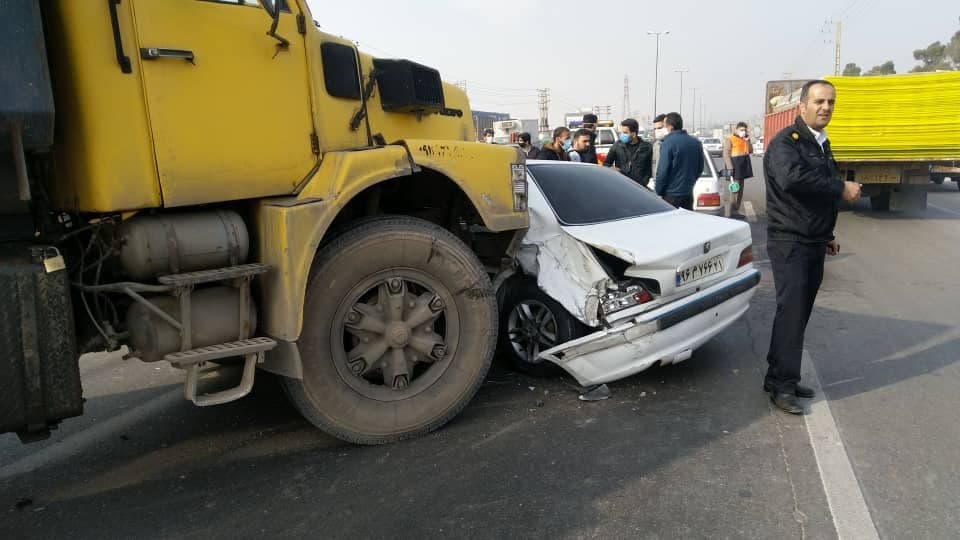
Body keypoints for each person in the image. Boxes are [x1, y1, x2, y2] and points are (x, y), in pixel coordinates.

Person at [763, 79, 862, 414]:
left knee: (798, 313)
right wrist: (840, 187)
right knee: (791, 313)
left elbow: (814, 198)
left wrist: (827, 233)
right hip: (789, 240)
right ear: (802, 105)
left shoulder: (820, 143)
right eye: (819, 101)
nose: (826, 108)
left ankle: (778, 376)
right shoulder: (786, 143)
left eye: (831, 102)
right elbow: (793, 181)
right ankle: (783, 387)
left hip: (812, 239)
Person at [654, 112, 704, 209]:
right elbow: (699, 168)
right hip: (688, 194)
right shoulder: (696, 143)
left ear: (670, 127)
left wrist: (659, 191)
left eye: (664, 126)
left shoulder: (668, 143)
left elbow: (662, 171)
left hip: (671, 196)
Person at [603, 118, 653, 186]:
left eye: (625, 133)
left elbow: (649, 168)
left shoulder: (646, 147)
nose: (622, 135)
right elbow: (606, 164)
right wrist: (613, 169)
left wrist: (644, 182)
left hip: (640, 186)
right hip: (622, 184)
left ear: (634, 134)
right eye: (621, 132)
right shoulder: (617, 145)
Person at [722, 121, 754, 215]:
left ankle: (737, 210)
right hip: (734, 167)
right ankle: (732, 211)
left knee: (740, 190)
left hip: (743, 167)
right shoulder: (730, 139)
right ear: (736, 130)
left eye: (744, 130)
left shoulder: (745, 139)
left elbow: (751, 150)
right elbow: (726, 154)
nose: (743, 131)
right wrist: (730, 168)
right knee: (735, 189)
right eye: (741, 130)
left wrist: (748, 140)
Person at [650, 114, 667, 178]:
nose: (657, 131)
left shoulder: (676, 145)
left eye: (659, 128)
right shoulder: (656, 145)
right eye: (655, 129)